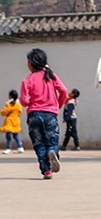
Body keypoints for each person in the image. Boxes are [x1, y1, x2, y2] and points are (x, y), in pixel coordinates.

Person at [20, 48, 68, 179]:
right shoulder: (51, 76)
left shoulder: (27, 80)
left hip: (34, 115)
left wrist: (29, 101)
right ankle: (52, 152)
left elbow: (24, 101)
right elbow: (64, 91)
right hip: (50, 114)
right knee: (52, 141)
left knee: (39, 143)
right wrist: (58, 105)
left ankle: (46, 171)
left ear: (30, 63)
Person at [3, 89, 24, 154]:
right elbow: (20, 112)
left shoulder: (9, 104)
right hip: (16, 121)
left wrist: (5, 107)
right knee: (15, 135)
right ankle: (20, 147)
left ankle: (8, 148)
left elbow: (4, 112)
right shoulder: (18, 104)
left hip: (10, 121)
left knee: (8, 136)